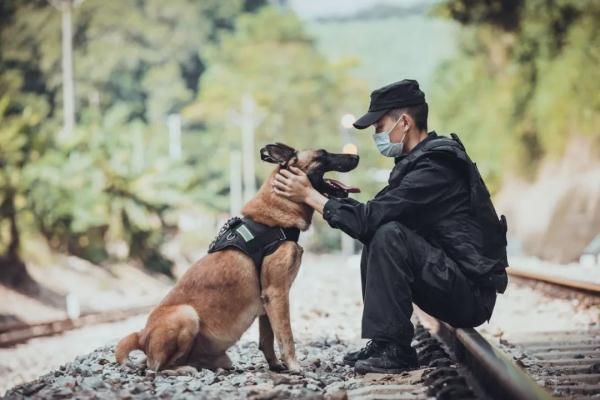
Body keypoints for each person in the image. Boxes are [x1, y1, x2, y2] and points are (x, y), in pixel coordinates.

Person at [271, 79, 508, 374]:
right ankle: (384, 342)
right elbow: (371, 215)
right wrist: (330, 195)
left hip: (470, 296)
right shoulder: (416, 163)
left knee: (386, 233)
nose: (376, 135)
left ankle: (395, 349)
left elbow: (370, 220)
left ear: (404, 122)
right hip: (452, 279)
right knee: (379, 230)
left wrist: (310, 196)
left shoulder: (436, 168)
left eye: (379, 127)